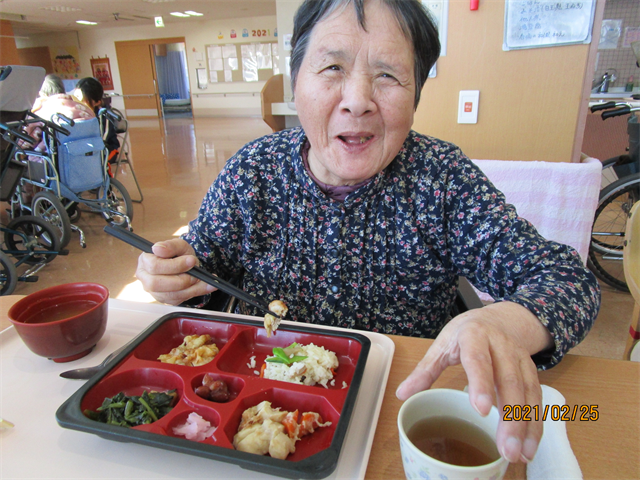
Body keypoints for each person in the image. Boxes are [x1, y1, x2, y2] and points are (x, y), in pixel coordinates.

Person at [135, 0, 600, 465]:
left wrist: (502, 322)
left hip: (397, 418)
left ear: (415, 95)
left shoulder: (441, 179)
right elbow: (202, 272)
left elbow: (567, 280)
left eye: (387, 75)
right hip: (259, 418)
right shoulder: (252, 171)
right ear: (297, 81)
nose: (357, 99)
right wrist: (171, 276)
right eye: (332, 66)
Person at [73, 77, 120, 161]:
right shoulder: (77, 112)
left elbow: (102, 139)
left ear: (97, 102)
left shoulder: (104, 115)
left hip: (107, 148)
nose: (79, 103)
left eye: (83, 101)